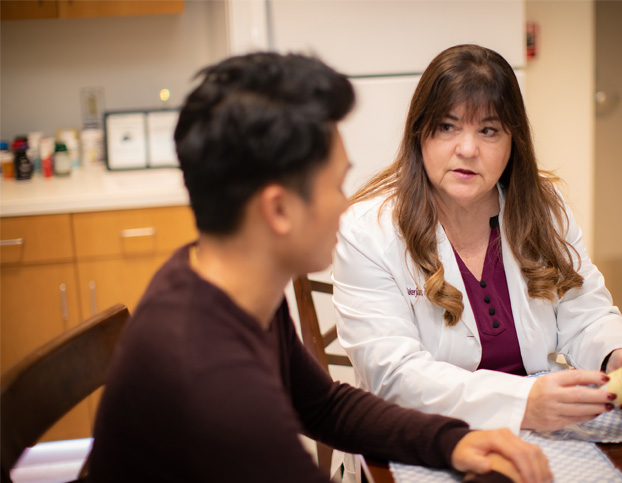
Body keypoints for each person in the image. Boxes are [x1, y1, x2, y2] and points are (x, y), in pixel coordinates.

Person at [86, 52, 552, 483]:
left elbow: (326, 407)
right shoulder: (215, 385)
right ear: (279, 210)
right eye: (335, 184)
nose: (345, 204)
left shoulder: (220, 283)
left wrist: (453, 441)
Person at [332, 44, 622, 438]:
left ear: (513, 141)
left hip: (544, 429)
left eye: (488, 130)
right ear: (419, 133)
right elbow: (393, 375)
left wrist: (616, 356)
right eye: (447, 126)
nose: (467, 148)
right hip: (427, 436)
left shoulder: (541, 207)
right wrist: (523, 403)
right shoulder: (367, 231)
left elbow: (585, 310)